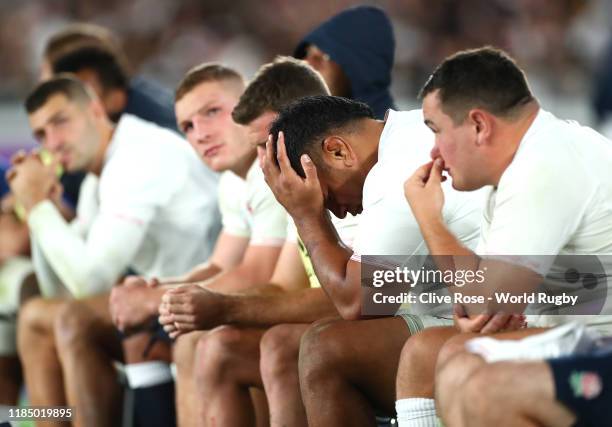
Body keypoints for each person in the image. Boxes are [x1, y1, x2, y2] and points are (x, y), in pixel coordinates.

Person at [395, 46, 612, 427]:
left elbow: (480, 305)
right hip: (571, 333)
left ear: (479, 125)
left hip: (600, 346)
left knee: (462, 359)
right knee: (424, 349)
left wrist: (429, 218)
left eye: (436, 130)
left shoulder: (543, 165)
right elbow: (484, 299)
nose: (434, 150)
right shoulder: (528, 161)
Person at [258, 95, 484, 426]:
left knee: (327, 349)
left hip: (542, 305)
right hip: (541, 290)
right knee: (303, 342)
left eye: (327, 197)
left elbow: (360, 302)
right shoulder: (409, 131)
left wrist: (306, 215)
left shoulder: (393, 173)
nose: (337, 212)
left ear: (337, 151)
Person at [11, 76, 220, 427]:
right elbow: (58, 289)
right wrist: (40, 208)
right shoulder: (101, 174)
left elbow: (90, 283)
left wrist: (36, 208)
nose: (53, 142)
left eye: (60, 122)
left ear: (95, 109)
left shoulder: (137, 157)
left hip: (204, 289)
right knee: (36, 316)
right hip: (161, 296)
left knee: (74, 319)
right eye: (42, 135)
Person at [156, 56, 339, 427]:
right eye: (187, 126)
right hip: (371, 314)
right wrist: (184, 297)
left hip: (413, 320)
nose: (199, 133)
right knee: (219, 344)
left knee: (275, 344)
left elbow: (367, 297)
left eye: (211, 113)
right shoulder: (292, 187)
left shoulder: (371, 178)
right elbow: (280, 284)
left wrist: (219, 307)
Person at [294, 5, 396, 119]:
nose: (304, 65)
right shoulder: (301, 131)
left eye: (319, 58)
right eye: (304, 56)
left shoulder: (400, 135)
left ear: (358, 69)